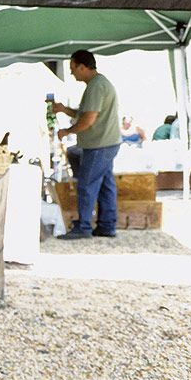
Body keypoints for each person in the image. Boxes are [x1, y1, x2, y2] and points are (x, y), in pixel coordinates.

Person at [49, 50, 120, 240]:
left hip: (99, 144)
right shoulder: (98, 84)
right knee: (105, 185)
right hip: (106, 142)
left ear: (82, 66)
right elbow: (86, 114)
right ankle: (107, 225)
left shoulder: (96, 86)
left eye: (73, 68)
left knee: (87, 185)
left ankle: (84, 227)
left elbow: (88, 119)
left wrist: (67, 131)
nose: (72, 73)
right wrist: (64, 109)